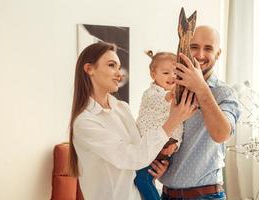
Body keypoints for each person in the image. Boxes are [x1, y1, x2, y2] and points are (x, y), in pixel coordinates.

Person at [68, 42, 197, 200]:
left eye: (119, 66)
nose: (119, 73)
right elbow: (132, 158)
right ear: (90, 69)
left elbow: (142, 150)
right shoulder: (85, 122)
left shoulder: (122, 108)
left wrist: (157, 165)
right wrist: (173, 120)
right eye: (111, 65)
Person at [160, 25, 241, 200]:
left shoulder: (225, 93)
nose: (200, 55)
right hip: (166, 194)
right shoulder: (168, 88)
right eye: (194, 47)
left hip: (205, 196)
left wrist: (201, 88)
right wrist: (158, 158)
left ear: (218, 54)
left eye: (208, 48)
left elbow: (221, 134)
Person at [134, 51, 184, 200]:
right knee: (143, 179)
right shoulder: (151, 93)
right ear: (153, 75)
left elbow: (179, 124)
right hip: (150, 144)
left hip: (165, 144)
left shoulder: (175, 98)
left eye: (176, 73)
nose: (172, 76)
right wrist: (171, 96)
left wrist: (176, 144)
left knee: (143, 179)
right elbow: (159, 100)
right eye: (166, 72)